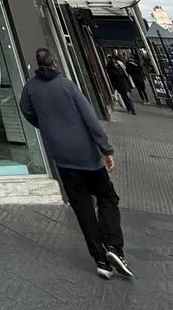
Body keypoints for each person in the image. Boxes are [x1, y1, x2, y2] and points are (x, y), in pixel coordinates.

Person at [20, 48, 132, 280]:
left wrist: (45, 125)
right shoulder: (68, 86)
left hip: (61, 158)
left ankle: (100, 260)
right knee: (108, 197)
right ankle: (113, 246)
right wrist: (106, 149)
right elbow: (90, 119)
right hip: (86, 156)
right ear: (55, 63)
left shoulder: (31, 87)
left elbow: (26, 111)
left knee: (82, 208)